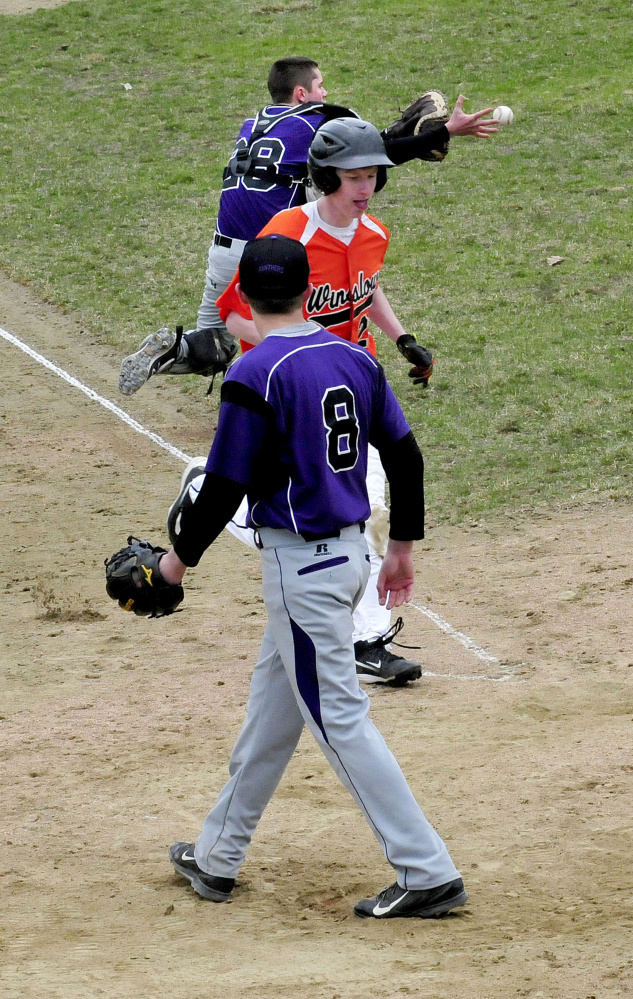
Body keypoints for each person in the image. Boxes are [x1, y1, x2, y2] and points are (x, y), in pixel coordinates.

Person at [158, 233, 468, 919]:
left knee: (338, 716)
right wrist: (403, 550)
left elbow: (223, 487)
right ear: (309, 289)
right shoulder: (352, 357)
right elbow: (408, 459)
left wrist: (173, 564)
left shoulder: (254, 373)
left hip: (303, 570)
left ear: (242, 288)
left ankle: (427, 869)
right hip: (351, 556)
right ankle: (216, 855)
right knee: (274, 711)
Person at [169, 117, 432, 687]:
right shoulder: (286, 235)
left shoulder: (373, 233)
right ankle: (203, 489)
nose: (364, 188)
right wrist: (298, 351)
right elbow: (234, 310)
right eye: (353, 177)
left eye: (371, 177)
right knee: (322, 510)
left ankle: (364, 639)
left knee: (371, 508)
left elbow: (370, 284)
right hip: (290, 391)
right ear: (324, 177)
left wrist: (401, 337)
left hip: (354, 387)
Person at [118, 56, 496, 396]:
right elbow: (364, 155)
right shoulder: (314, 119)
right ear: (302, 93)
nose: (326, 92)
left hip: (223, 247)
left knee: (217, 342)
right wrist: (445, 131)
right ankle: (296, 392)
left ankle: (173, 350)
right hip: (273, 247)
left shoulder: (254, 124)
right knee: (299, 325)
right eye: (320, 86)